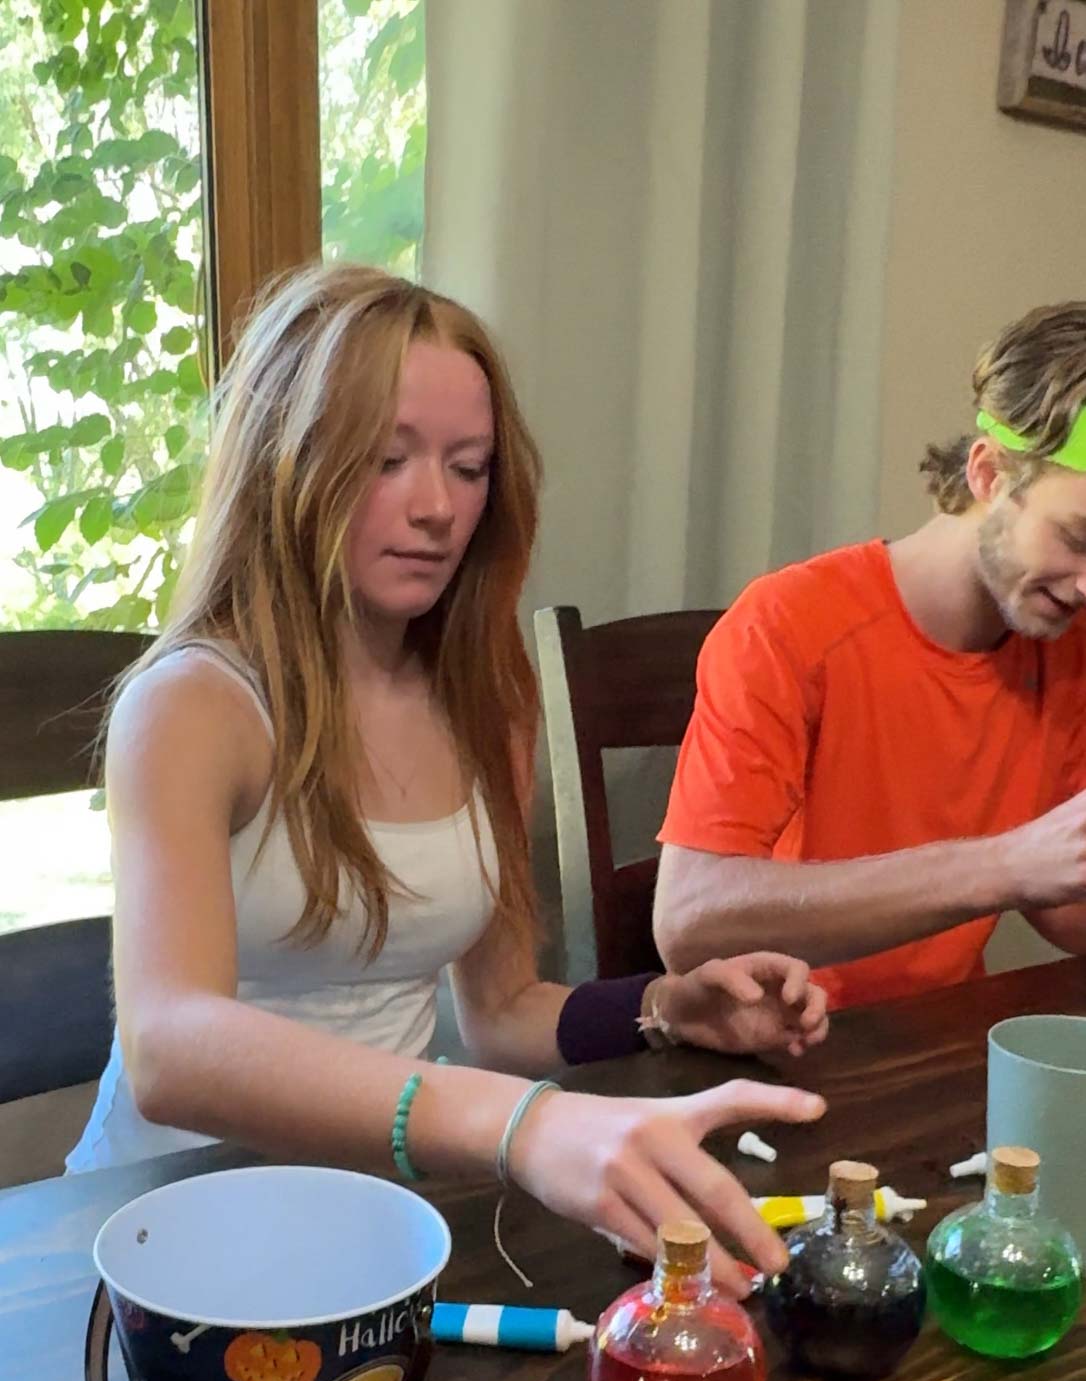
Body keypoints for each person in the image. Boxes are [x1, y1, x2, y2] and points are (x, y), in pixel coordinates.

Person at [66, 263, 829, 1295]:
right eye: (388, 459)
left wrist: (661, 1009)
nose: (435, 507)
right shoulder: (196, 704)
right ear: (287, 461)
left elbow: (503, 1009)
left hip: (388, 1217)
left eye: (468, 468)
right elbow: (172, 1046)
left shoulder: (488, 699)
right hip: (172, 1226)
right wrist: (518, 1125)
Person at [655, 301, 1086, 1011]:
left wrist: (1037, 866)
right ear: (988, 473)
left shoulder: (1063, 644)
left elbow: (1063, 906)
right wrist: (1006, 865)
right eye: (1075, 535)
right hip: (786, 1051)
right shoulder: (789, 624)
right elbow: (690, 921)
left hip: (943, 1050)